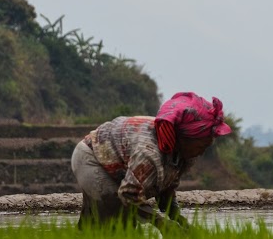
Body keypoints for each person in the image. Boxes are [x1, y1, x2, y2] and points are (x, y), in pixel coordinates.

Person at [71, 92, 232, 230]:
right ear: (184, 139)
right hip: (92, 159)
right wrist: (162, 224)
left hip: (119, 162)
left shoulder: (185, 155)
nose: (203, 151)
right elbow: (128, 194)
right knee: (118, 222)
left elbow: (167, 189)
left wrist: (180, 221)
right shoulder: (149, 153)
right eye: (202, 144)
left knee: (95, 226)